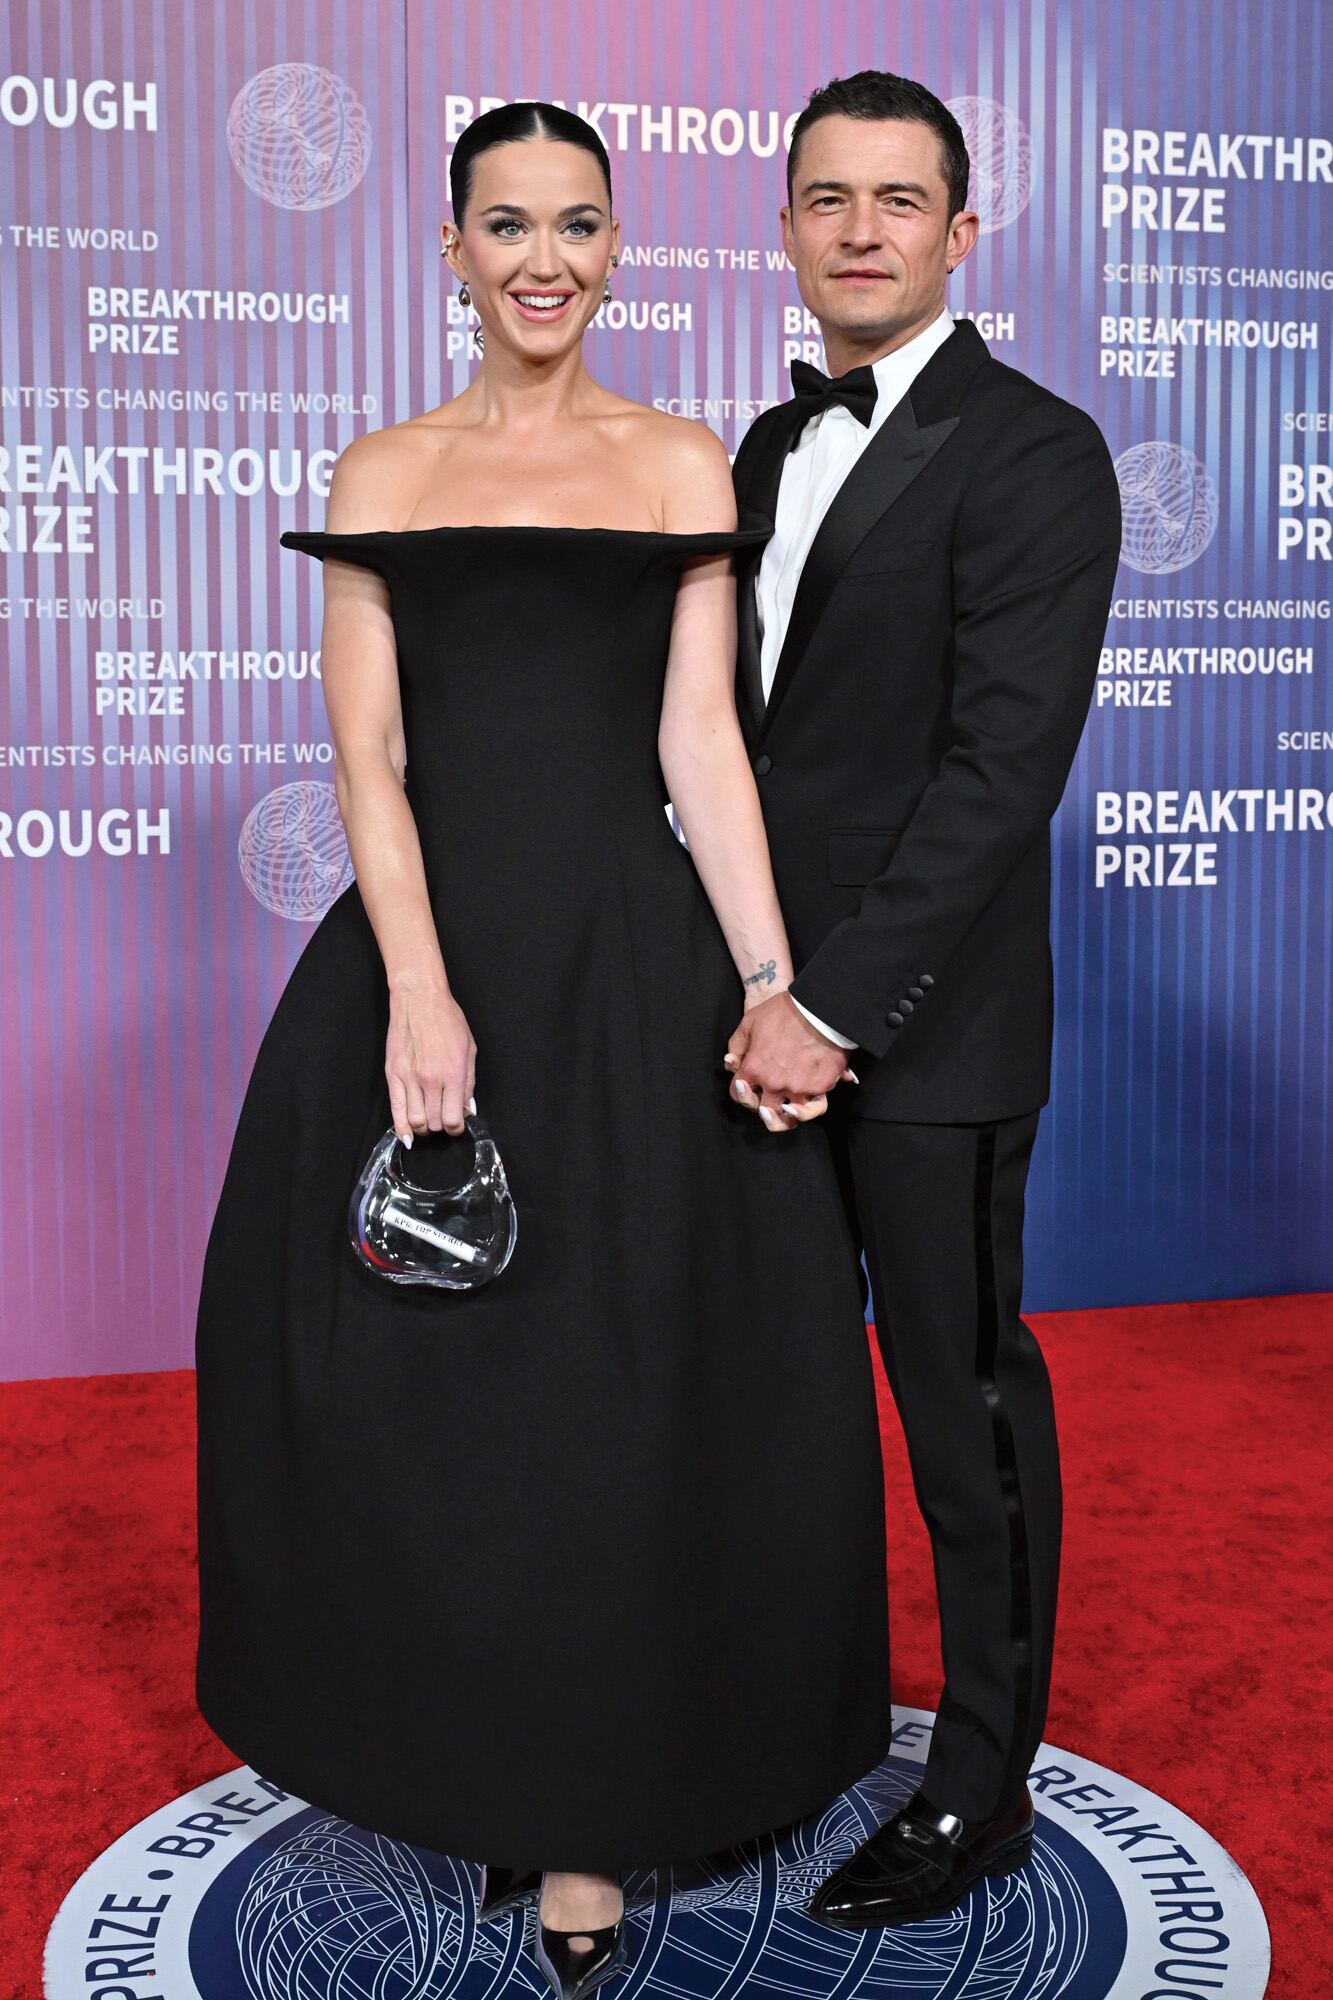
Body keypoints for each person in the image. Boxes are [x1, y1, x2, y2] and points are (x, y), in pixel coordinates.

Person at [193, 101, 892, 2000]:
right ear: (448, 252)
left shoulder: (677, 466)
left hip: (626, 982)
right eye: (505, 224)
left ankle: (588, 1813)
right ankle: (460, 1751)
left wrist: (767, 980)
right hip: (425, 970)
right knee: (437, 1394)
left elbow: (697, 750)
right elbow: (370, 762)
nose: (542, 258)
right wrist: (420, 992)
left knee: (620, 1396)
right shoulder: (385, 470)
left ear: (615, 247)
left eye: (577, 223)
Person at [726, 72, 1123, 1928]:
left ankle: (978, 1783)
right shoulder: (753, 449)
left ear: (962, 233)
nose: (862, 228)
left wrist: (834, 1008)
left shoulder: (1035, 451)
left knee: (955, 1414)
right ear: (787, 229)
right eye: (830, 198)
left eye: (901, 199)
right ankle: (759, 1729)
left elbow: (995, 773)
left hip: (924, 1035)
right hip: (741, 1027)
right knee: (766, 1404)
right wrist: (738, 991)